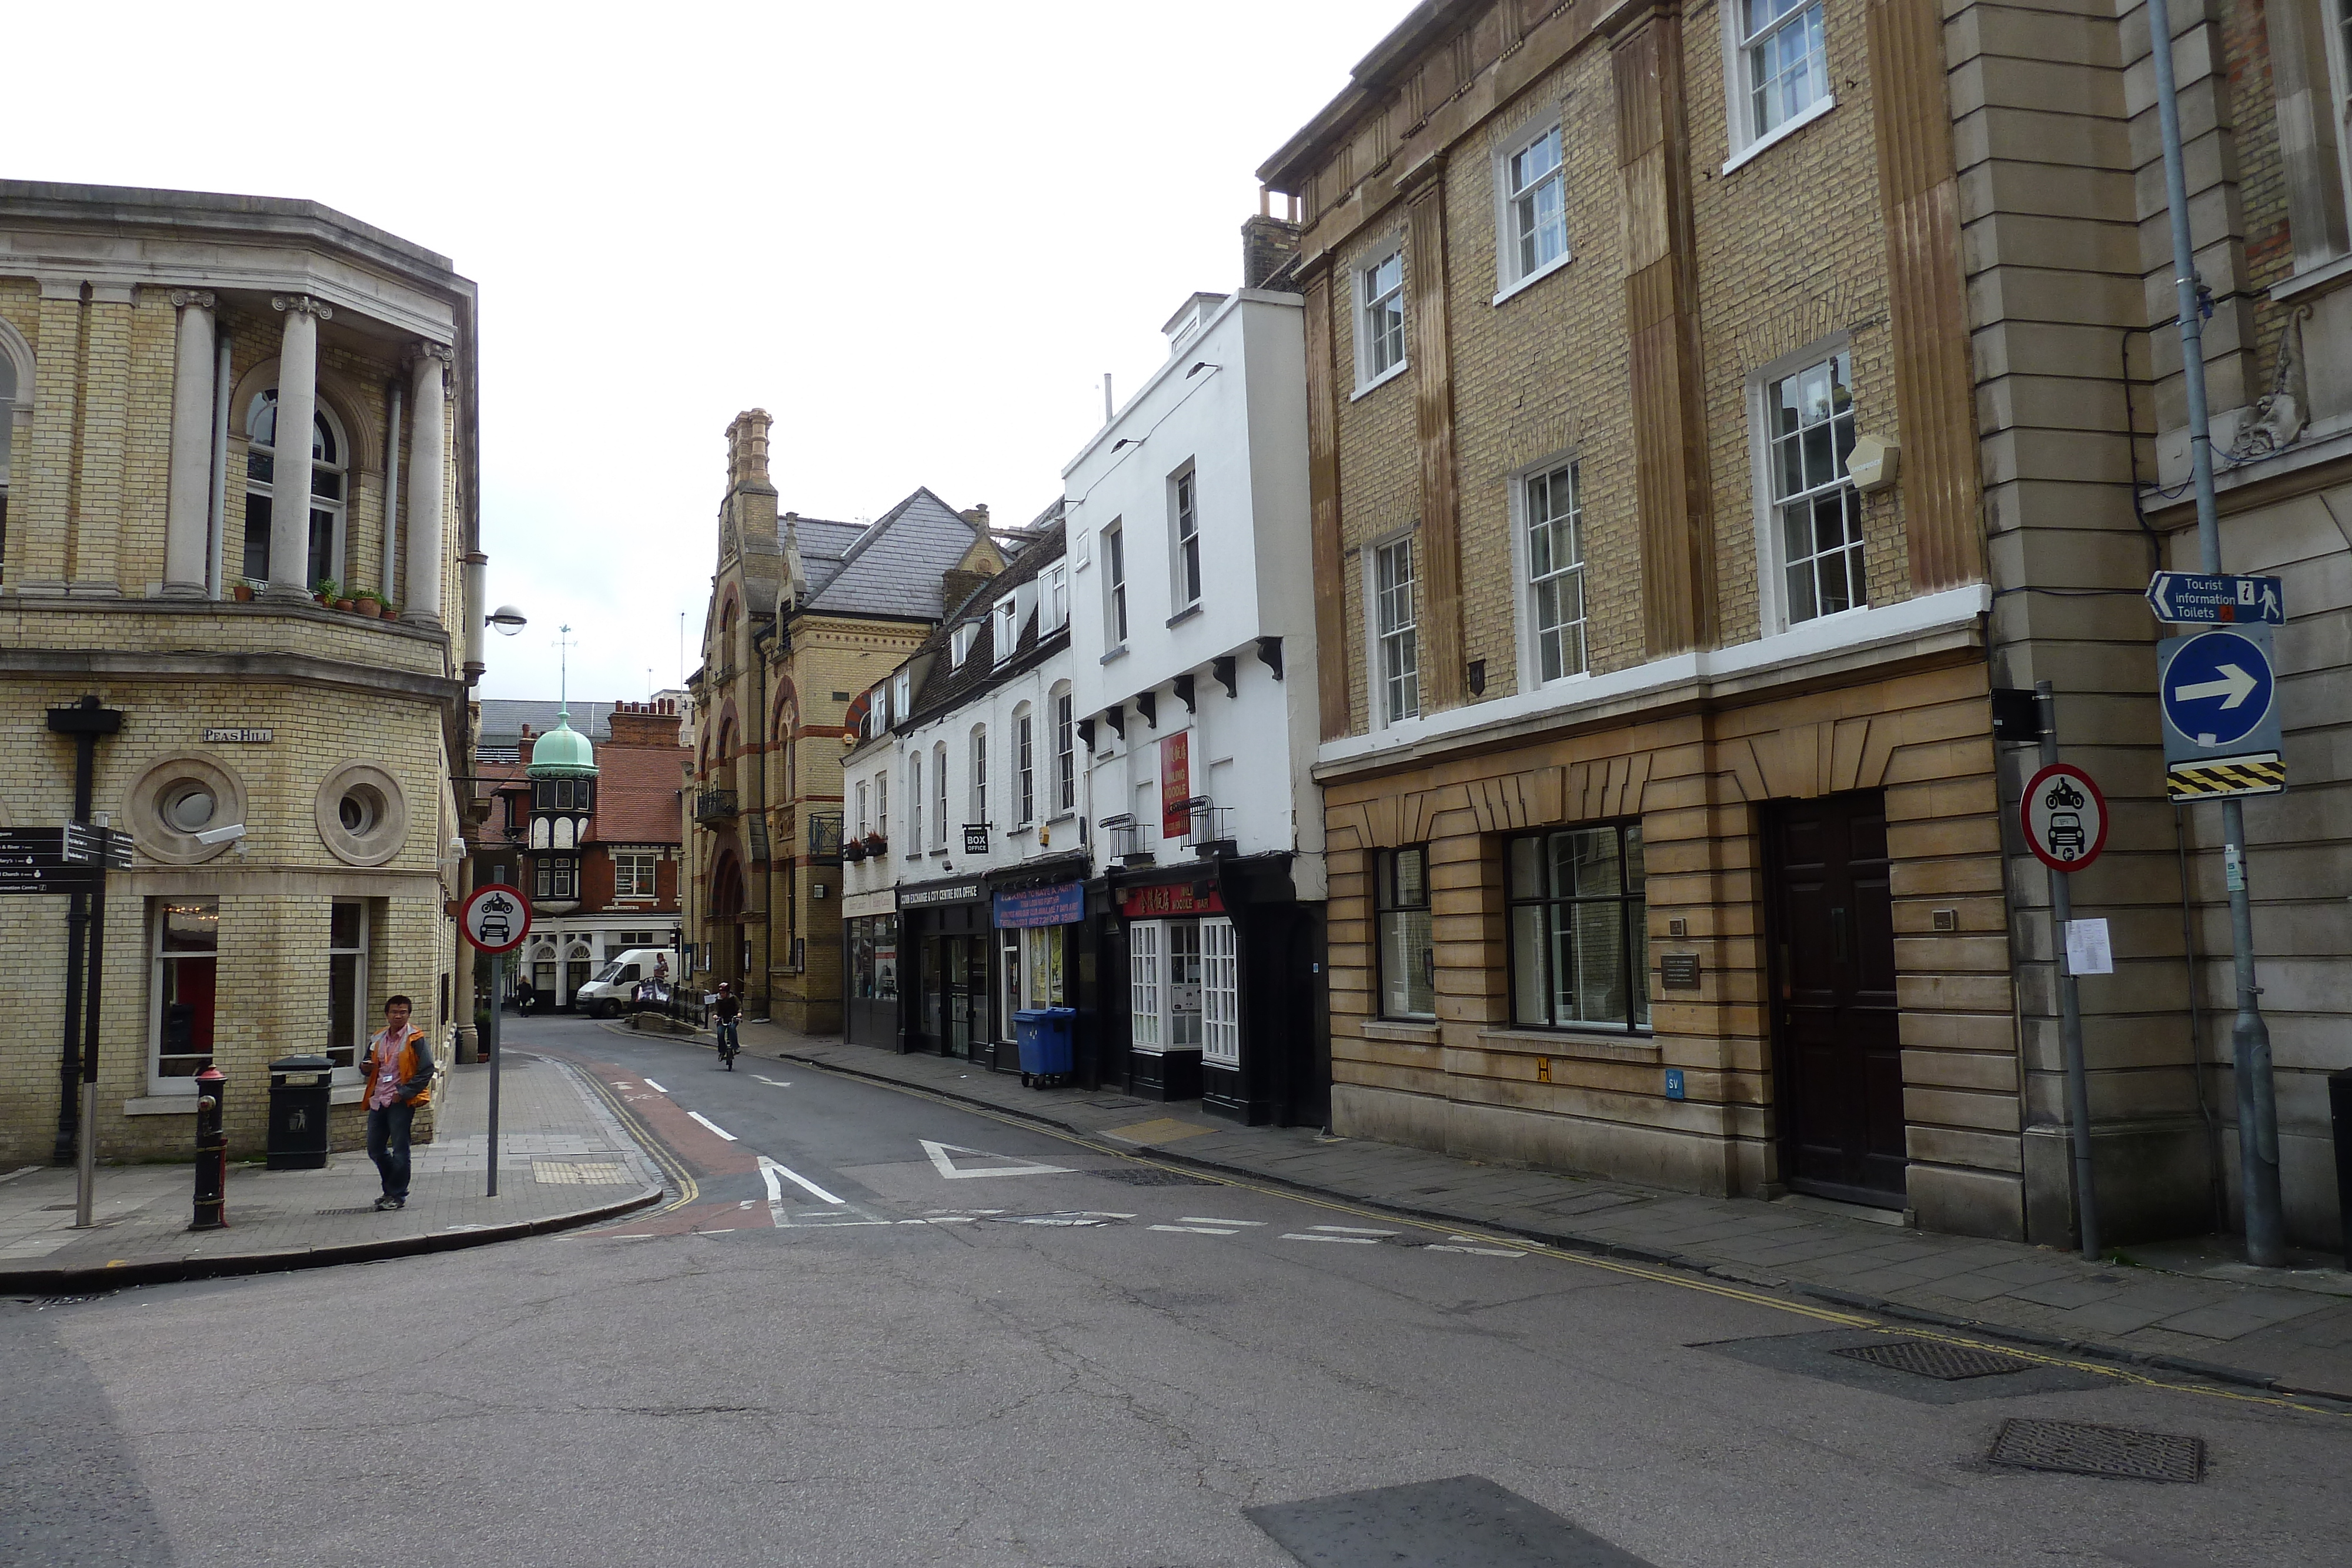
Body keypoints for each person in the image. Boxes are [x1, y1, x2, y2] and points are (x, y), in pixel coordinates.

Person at [362, 995, 435, 1211]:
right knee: (375, 1148)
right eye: (395, 1012)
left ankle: (397, 1194)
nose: (398, 1016)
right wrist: (364, 1068)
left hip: (400, 1101)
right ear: (387, 1014)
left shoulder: (415, 1038)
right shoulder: (378, 1038)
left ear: (409, 1015)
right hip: (379, 1099)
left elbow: (427, 1069)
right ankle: (391, 1188)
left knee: (401, 1149)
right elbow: (368, 1064)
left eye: (403, 1012)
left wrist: (404, 1092)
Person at [713, 982, 741, 1068]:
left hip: (733, 1018)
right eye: (721, 993)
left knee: (732, 1029)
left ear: (728, 993)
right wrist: (715, 1015)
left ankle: (735, 1047)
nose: (722, 995)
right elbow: (715, 1009)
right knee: (720, 1033)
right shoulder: (718, 999)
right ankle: (722, 1051)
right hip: (722, 1019)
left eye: (724, 993)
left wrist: (739, 1013)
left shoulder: (733, 998)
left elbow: (739, 1006)